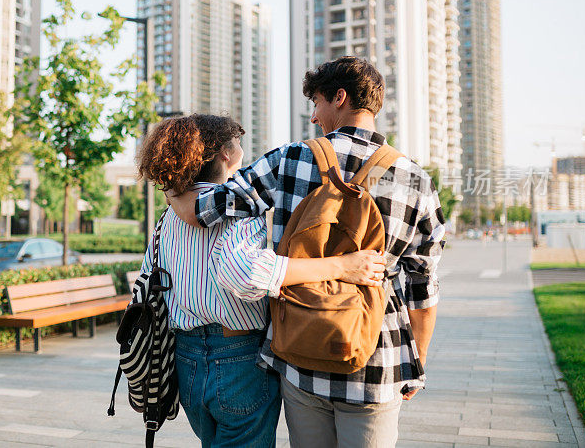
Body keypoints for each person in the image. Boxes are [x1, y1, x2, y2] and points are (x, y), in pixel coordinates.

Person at [170, 58, 446, 448]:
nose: (314, 116)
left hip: (299, 352)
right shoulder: (416, 179)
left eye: (316, 102)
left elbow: (206, 208)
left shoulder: (290, 159)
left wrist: (168, 183)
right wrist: (415, 363)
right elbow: (423, 288)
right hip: (375, 358)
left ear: (340, 97)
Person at [137, 113, 387, 448]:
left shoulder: (171, 215)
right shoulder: (237, 206)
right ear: (226, 153)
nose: (243, 148)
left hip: (185, 359)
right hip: (238, 358)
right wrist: (341, 267)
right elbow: (245, 274)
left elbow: (147, 283)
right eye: (237, 142)